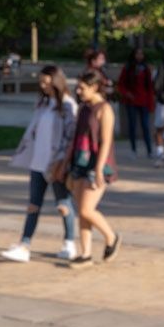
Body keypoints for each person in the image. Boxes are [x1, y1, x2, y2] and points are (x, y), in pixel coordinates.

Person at [3, 65, 79, 263]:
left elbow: (70, 137)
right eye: (41, 82)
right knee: (33, 205)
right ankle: (25, 244)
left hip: (56, 163)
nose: (43, 86)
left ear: (56, 81)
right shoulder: (43, 104)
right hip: (38, 162)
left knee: (63, 204)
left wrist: (62, 162)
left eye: (46, 82)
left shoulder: (68, 105)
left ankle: (69, 242)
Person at [65, 70, 121, 266]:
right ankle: (86, 253)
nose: (78, 91)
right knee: (82, 210)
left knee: (87, 210)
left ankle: (111, 237)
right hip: (80, 161)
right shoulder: (84, 108)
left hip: (98, 164)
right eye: (78, 87)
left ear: (95, 87)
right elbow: (75, 138)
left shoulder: (104, 109)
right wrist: (68, 164)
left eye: (82, 87)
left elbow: (106, 142)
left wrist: (98, 169)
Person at [115, 49, 157, 161]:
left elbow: (150, 87)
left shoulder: (146, 68)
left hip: (143, 100)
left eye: (141, 54)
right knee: (132, 126)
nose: (139, 56)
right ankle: (133, 149)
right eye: (137, 54)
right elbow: (121, 84)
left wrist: (150, 103)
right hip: (131, 100)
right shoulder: (128, 68)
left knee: (145, 126)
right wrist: (126, 93)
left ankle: (149, 150)